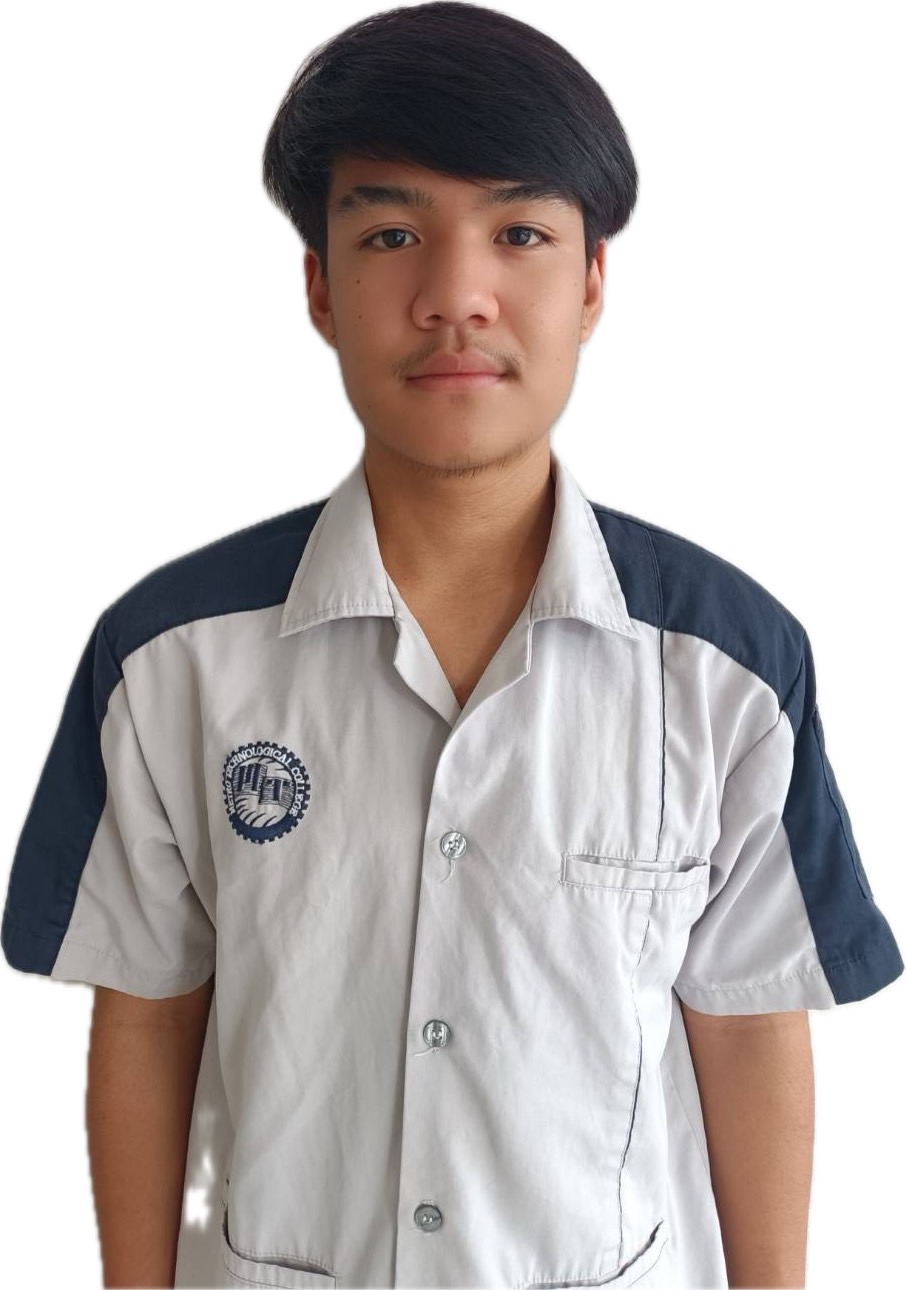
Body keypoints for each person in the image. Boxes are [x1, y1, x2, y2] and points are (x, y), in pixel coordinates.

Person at [2, 3, 902, 1287]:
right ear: (320, 285)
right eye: (391, 234)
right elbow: (146, 1014)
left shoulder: (727, 668)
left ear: (591, 284)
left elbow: (751, 1023)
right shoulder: (172, 660)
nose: (456, 297)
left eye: (520, 233)